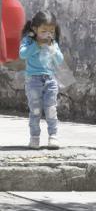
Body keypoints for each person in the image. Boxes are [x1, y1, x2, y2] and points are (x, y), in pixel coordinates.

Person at [19, 10, 64, 149]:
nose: (48, 34)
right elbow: (22, 54)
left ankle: (53, 136)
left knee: (51, 109)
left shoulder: (53, 42)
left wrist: (53, 49)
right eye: (44, 30)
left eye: (51, 30)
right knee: (36, 111)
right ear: (34, 28)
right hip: (33, 81)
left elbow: (60, 60)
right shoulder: (28, 40)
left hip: (50, 80)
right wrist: (37, 45)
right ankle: (35, 137)